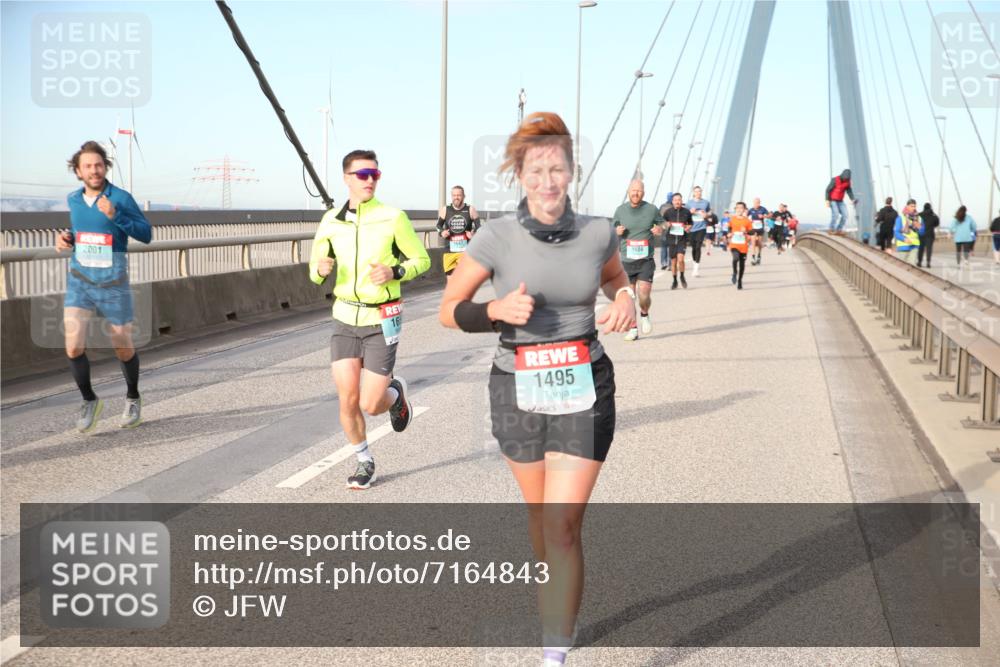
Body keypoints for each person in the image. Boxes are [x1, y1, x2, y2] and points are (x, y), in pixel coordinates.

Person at [438, 111, 635, 667]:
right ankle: (554, 590)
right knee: (540, 518)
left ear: (572, 171)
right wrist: (495, 310)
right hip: (517, 387)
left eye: (557, 169)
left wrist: (625, 299)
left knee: (561, 524)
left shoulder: (598, 233)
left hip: (584, 383)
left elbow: (616, 279)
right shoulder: (495, 237)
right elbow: (449, 310)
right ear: (519, 175)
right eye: (536, 171)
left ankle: (555, 652)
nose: (548, 181)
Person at [308, 149, 430, 490]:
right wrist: (320, 270)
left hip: (381, 317)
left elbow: (422, 259)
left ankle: (395, 395)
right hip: (345, 317)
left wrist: (395, 271)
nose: (370, 180)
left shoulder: (393, 217)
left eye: (374, 174)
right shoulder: (331, 221)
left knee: (371, 404)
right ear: (347, 178)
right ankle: (365, 461)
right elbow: (315, 270)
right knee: (347, 399)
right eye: (362, 174)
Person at [55, 140, 152, 433]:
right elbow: (82, 231)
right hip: (80, 281)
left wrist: (115, 215)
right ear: (78, 171)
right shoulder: (74, 199)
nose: (94, 170)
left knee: (122, 345)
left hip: (113, 282)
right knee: (73, 345)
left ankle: (133, 397)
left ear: (105, 167)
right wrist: (67, 238)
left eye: (98, 165)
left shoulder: (120, 198)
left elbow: (146, 234)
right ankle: (89, 400)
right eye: (88, 166)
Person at [613, 179, 663, 341]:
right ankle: (633, 328)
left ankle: (645, 314)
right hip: (626, 261)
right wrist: (617, 230)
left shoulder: (651, 209)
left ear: (643, 193)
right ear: (628, 192)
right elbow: (613, 226)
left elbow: (664, 224)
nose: (636, 193)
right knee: (629, 298)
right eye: (633, 190)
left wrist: (659, 228)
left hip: (645, 260)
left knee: (644, 294)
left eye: (639, 190)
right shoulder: (620, 210)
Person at [437, 184, 481, 276]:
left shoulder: (470, 209)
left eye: (459, 195)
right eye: (454, 195)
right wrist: (442, 232)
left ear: (464, 196)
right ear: (451, 196)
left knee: (464, 278)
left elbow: (479, 228)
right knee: (450, 280)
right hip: (449, 251)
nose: (456, 197)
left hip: (465, 252)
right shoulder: (446, 209)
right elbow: (438, 226)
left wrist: (473, 235)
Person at [660, 192, 693, 288]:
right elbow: (662, 223)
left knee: (681, 259)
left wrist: (688, 227)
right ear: (672, 201)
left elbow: (690, 223)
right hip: (671, 239)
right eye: (675, 200)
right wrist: (666, 225)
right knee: (673, 262)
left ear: (681, 201)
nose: (677, 202)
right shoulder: (668, 212)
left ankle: (682, 276)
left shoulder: (686, 212)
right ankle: (675, 280)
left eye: (679, 200)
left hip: (682, 239)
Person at [686, 185, 711, 276]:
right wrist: (690, 212)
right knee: (694, 247)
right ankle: (694, 264)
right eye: (696, 191)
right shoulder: (689, 203)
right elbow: (685, 214)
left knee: (698, 246)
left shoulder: (705, 202)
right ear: (693, 193)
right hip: (692, 228)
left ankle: (696, 269)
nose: (698, 193)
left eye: (699, 191)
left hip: (702, 227)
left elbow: (709, 212)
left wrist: (706, 215)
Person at [728, 201, 753, 290]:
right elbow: (729, 228)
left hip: (743, 245)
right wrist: (729, 234)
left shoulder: (747, 221)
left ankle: (740, 281)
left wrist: (745, 231)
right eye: (737, 208)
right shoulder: (732, 219)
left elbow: (752, 232)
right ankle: (735, 272)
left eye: (741, 208)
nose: (739, 209)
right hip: (734, 243)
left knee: (742, 264)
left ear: (744, 210)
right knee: (735, 258)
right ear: (735, 209)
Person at [825, 168, 857, 234]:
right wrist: (827, 200)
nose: (845, 180)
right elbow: (827, 190)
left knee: (845, 215)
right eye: (845, 178)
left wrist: (852, 199)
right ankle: (831, 229)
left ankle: (839, 229)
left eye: (847, 179)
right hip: (832, 200)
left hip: (840, 201)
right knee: (835, 214)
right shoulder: (835, 180)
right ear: (842, 176)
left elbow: (849, 191)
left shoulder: (847, 182)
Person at [893, 198, 922, 265]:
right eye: (912, 206)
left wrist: (920, 228)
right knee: (902, 267)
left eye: (914, 206)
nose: (913, 208)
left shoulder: (919, 218)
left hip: (914, 246)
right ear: (907, 206)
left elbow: (922, 232)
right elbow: (896, 232)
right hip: (903, 246)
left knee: (912, 266)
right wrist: (904, 239)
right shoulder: (900, 218)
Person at [917, 202, 940, 268]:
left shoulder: (920, 215)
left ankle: (919, 262)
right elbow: (937, 223)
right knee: (929, 248)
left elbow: (916, 223)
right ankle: (928, 262)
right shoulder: (933, 215)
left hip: (921, 234)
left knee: (921, 248)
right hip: (930, 234)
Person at [747, 197, 768, 265]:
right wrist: (749, 221)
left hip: (760, 228)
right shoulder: (751, 210)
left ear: (759, 203)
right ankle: (753, 257)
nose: (756, 204)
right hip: (753, 228)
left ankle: (759, 255)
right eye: (755, 203)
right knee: (753, 242)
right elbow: (746, 217)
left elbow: (769, 215)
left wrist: (763, 216)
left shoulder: (763, 209)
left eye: (758, 203)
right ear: (753, 203)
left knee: (759, 243)